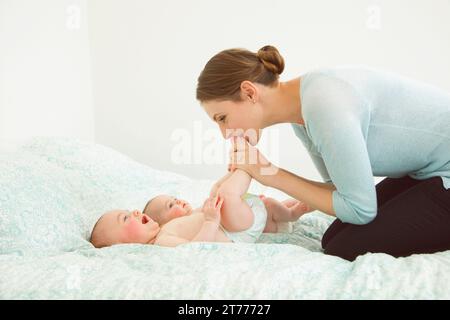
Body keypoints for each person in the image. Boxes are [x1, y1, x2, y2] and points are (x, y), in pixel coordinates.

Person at [196, 45, 450, 261]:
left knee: (343, 249)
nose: (224, 133)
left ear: (250, 92)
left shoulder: (324, 106)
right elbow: (341, 193)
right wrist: (274, 179)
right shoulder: (302, 111)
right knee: (332, 238)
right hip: (430, 168)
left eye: (222, 118)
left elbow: (361, 209)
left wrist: (269, 174)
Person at [90, 168, 307, 248]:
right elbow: (195, 249)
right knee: (224, 194)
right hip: (235, 231)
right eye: (126, 219)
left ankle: (293, 211)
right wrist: (211, 221)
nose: (135, 212)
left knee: (216, 191)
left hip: (238, 221)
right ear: (122, 246)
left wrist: (210, 207)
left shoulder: (168, 227)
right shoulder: (163, 241)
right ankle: (247, 167)